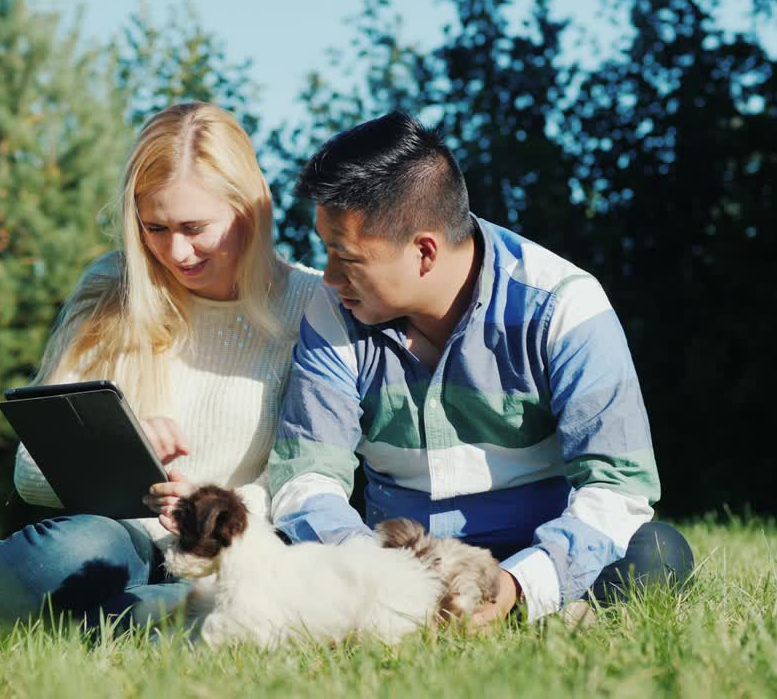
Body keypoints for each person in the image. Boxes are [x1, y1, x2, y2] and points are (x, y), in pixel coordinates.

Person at [0, 102, 322, 645]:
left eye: (195, 228)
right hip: (114, 543)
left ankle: (80, 622)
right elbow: (30, 473)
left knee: (184, 610)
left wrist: (209, 504)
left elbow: (313, 476)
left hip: (231, 558)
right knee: (78, 547)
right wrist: (114, 445)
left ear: (249, 208)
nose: (176, 251)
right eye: (155, 227)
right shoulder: (111, 287)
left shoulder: (310, 305)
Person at [267, 111, 693, 625]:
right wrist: (374, 575)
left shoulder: (562, 305)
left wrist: (514, 586)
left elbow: (617, 487)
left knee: (656, 552)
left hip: (533, 552)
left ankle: (531, 607)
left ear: (424, 251)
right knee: (271, 551)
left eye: (346, 258)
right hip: (394, 558)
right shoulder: (334, 312)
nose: (330, 277)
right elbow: (306, 478)